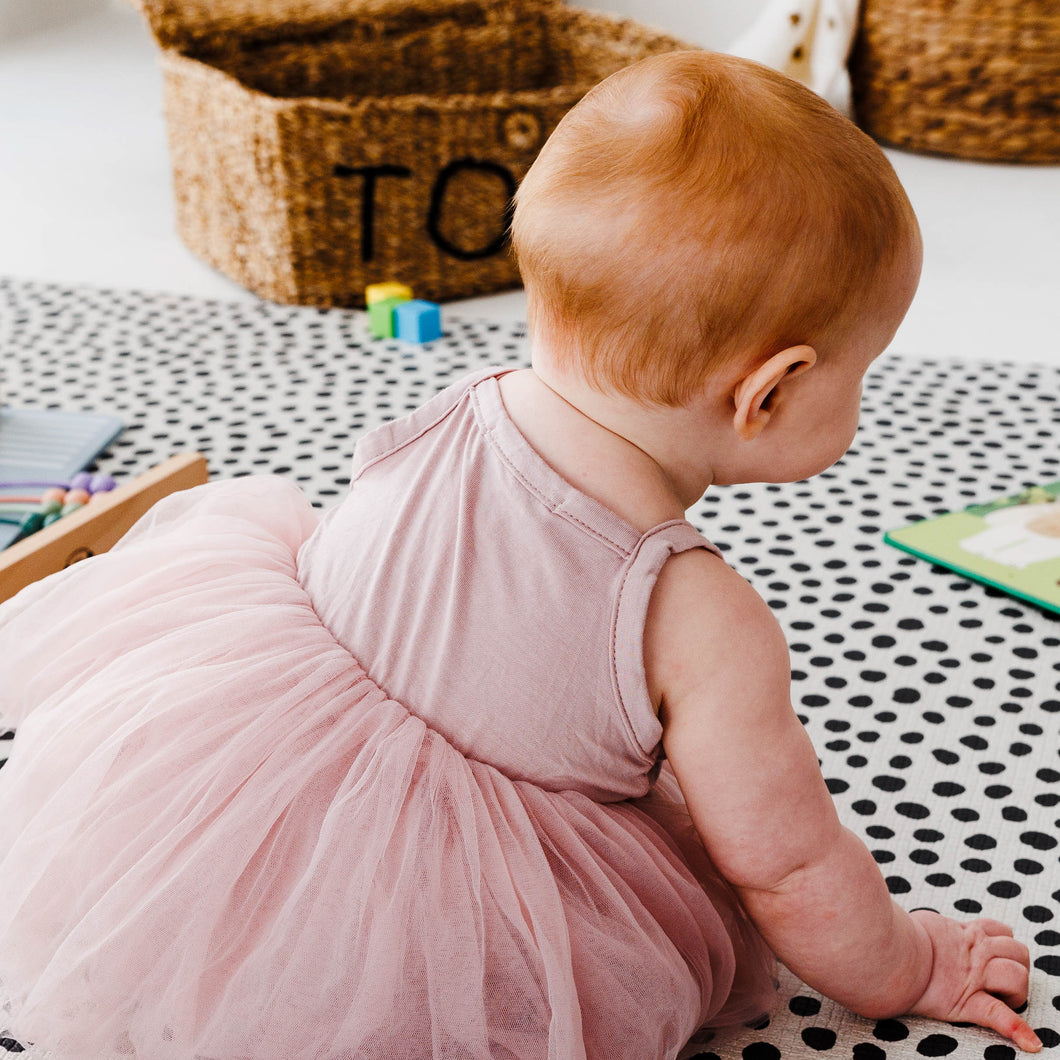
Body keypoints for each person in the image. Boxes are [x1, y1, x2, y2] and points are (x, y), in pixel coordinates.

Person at [0, 50, 1038, 1060]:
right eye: (865, 371)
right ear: (766, 392)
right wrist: (906, 966)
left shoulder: (463, 401)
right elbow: (787, 863)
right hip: (431, 911)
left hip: (221, 785)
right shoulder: (699, 615)